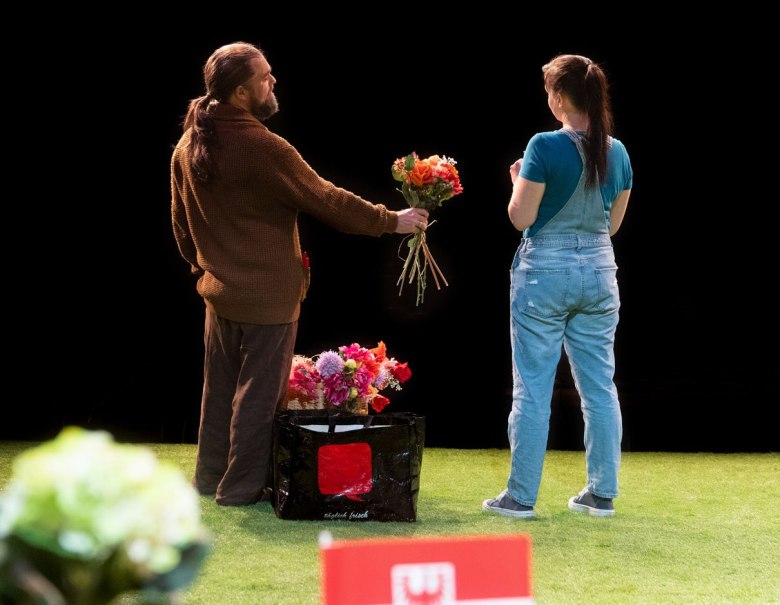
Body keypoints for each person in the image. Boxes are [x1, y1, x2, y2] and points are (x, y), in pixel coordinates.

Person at [170, 42, 429, 506]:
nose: (274, 81)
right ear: (241, 91)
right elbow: (327, 199)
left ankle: (209, 480)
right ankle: (240, 490)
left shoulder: (189, 144)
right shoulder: (263, 147)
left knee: (219, 393)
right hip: (268, 298)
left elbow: (180, 223)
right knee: (258, 399)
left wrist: (204, 271)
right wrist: (391, 220)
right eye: (264, 76)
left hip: (219, 295)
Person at [483, 54, 633, 518]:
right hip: (599, 273)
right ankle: (601, 494)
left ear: (560, 97)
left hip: (544, 272)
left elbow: (521, 217)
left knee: (532, 387)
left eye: (550, 91)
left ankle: (520, 498)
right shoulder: (619, 152)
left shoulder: (543, 145)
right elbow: (611, 227)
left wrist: (516, 181)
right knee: (600, 387)